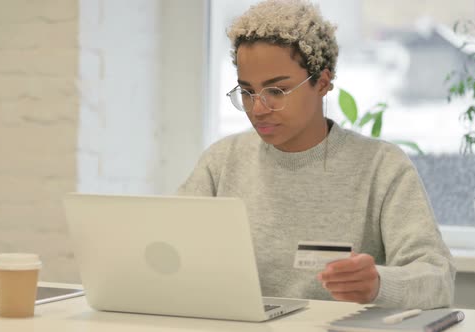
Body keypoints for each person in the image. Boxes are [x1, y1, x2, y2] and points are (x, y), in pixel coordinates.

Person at [178, 0, 455, 309]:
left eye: (276, 91)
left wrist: (378, 284)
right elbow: (166, 247)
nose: (258, 109)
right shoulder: (221, 162)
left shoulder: (382, 167)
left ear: (322, 83)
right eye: (246, 92)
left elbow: (437, 278)